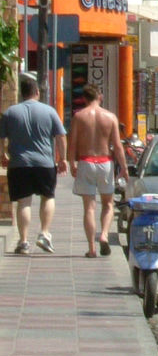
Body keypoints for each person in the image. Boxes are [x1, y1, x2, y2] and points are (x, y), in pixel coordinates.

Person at [0, 75, 67, 255]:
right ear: (37, 92)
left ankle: (23, 241)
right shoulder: (49, 111)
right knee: (48, 196)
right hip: (45, 163)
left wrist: (3, 154)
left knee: (24, 202)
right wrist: (63, 159)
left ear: (22, 94)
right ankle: (44, 233)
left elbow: (1, 137)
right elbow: (61, 136)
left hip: (19, 163)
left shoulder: (10, 113)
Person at [68, 84, 129, 258]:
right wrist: (124, 168)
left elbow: (72, 144)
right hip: (105, 162)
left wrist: (72, 163)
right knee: (108, 204)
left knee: (89, 207)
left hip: (86, 161)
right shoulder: (110, 117)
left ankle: (91, 248)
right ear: (99, 97)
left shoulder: (79, 117)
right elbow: (117, 146)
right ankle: (103, 235)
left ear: (84, 99)